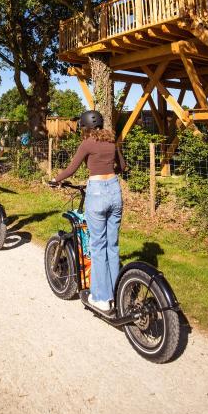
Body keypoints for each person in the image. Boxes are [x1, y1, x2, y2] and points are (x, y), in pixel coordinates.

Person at [52, 110, 126, 313]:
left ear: (85, 127)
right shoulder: (112, 141)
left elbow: (71, 169)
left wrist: (55, 180)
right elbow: (123, 166)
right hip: (115, 191)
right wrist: (109, 169)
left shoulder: (87, 143)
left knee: (98, 246)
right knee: (113, 246)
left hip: (98, 193)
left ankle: (101, 298)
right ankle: (116, 294)